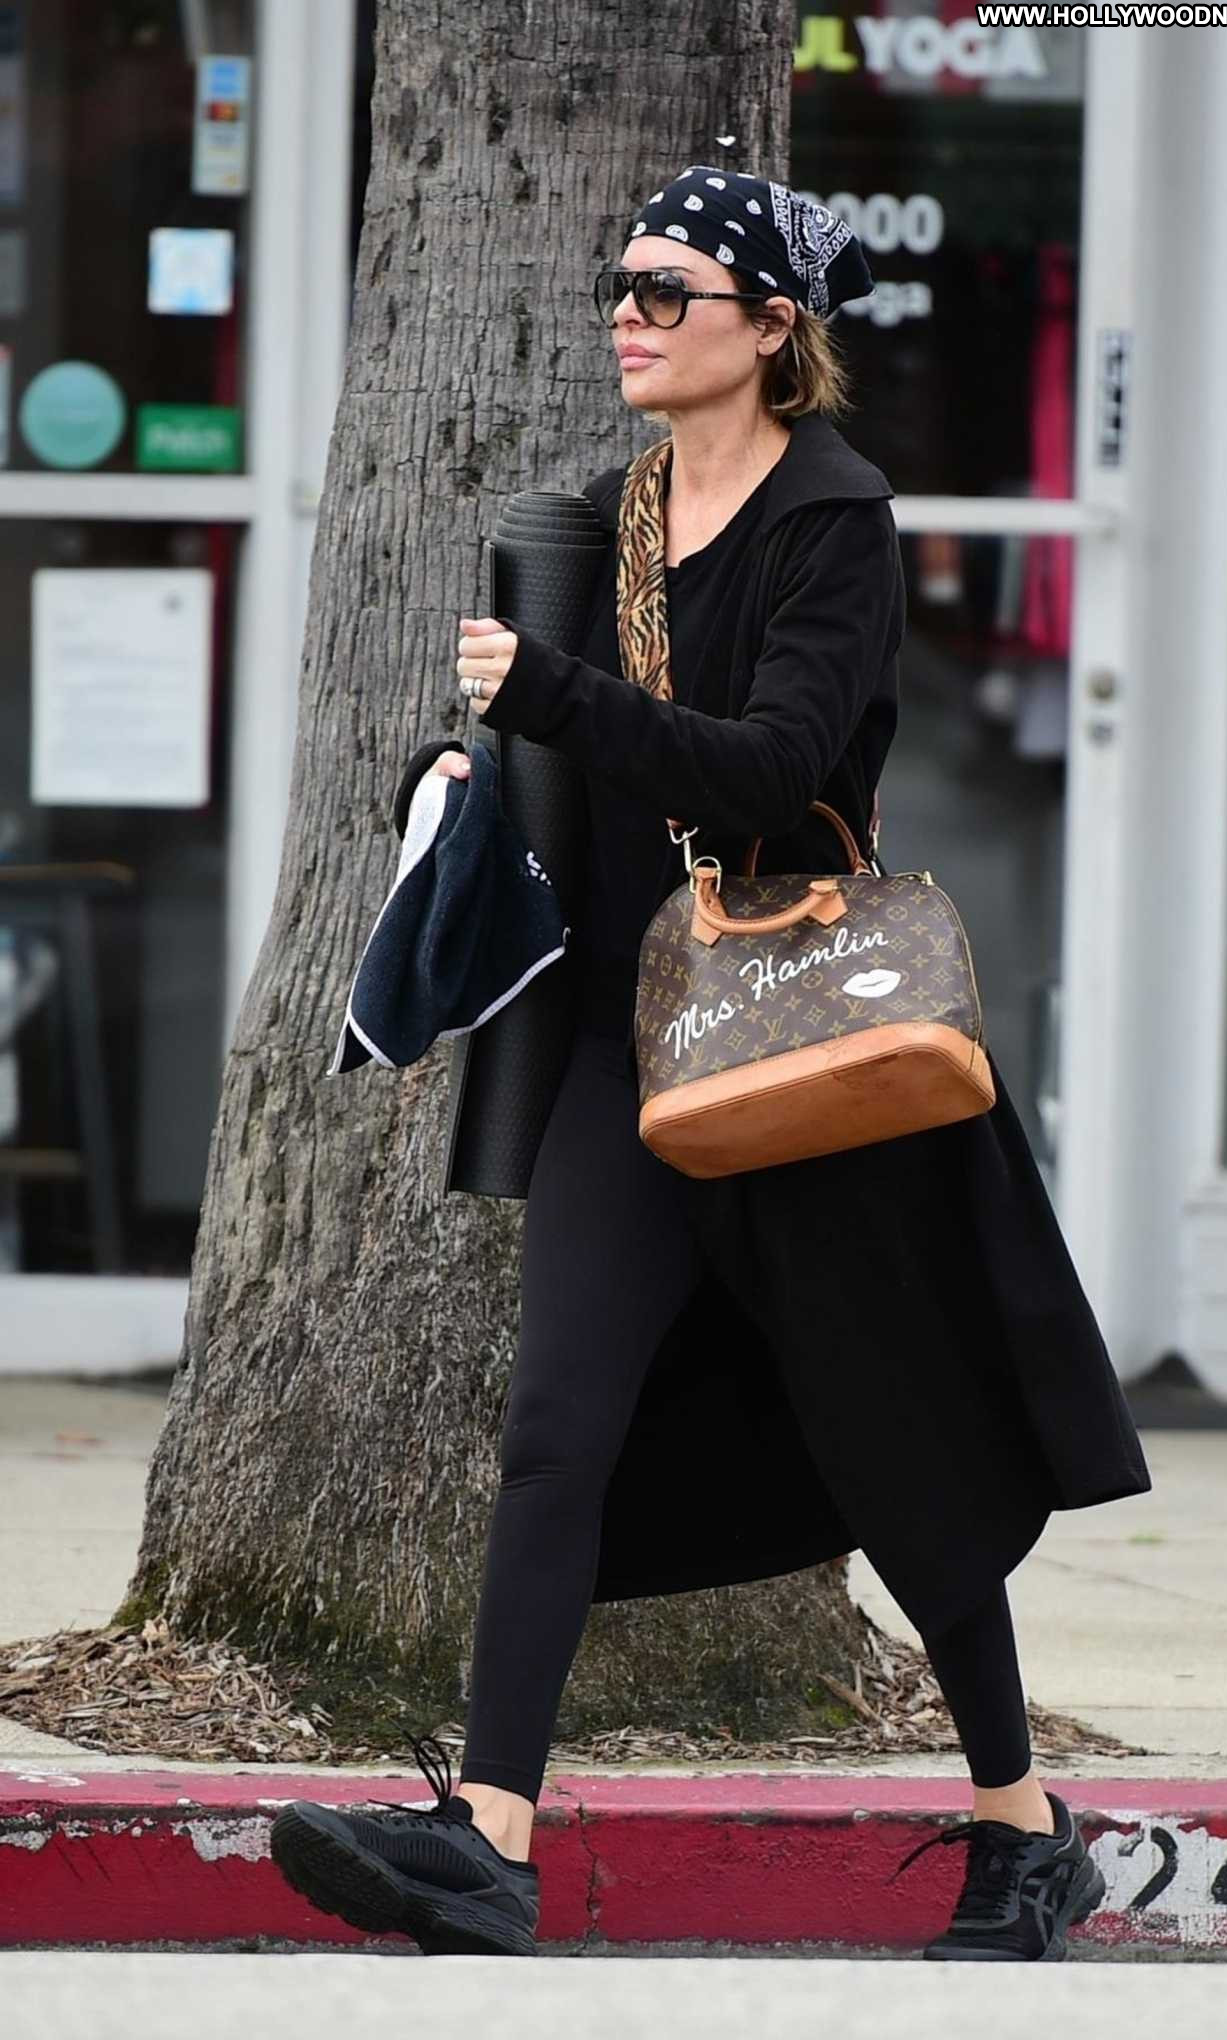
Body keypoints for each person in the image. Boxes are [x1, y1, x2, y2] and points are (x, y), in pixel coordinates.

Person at [270, 165, 1144, 1962]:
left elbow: (770, 768)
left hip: (804, 1043)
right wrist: (459, 776)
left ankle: (1021, 1828)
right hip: (630, 1047)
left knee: (900, 1451)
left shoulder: (837, 519)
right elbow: (563, 760)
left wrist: (551, 698)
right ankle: (490, 1841)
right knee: (554, 1433)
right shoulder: (610, 515)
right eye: (624, 284)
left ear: (770, 325)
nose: (629, 314)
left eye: (669, 289)